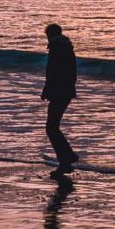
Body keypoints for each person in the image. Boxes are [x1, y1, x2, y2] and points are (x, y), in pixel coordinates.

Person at [42, 22, 78, 171]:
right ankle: (66, 157)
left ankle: (66, 157)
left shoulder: (57, 48)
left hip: (60, 91)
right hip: (66, 90)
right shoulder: (66, 47)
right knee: (53, 126)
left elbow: (53, 73)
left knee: (51, 127)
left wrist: (47, 90)